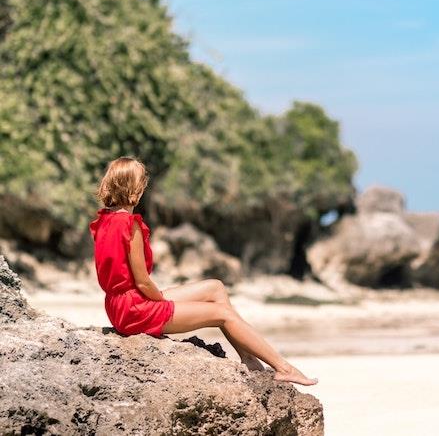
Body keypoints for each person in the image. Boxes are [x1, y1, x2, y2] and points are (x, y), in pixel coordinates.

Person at [89, 156, 317, 386]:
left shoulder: (104, 221)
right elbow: (143, 282)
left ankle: (248, 357)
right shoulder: (130, 225)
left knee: (215, 288)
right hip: (135, 309)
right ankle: (284, 368)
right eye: (141, 184)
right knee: (222, 314)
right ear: (133, 188)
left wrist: (156, 297)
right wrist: (160, 301)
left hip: (120, 304)